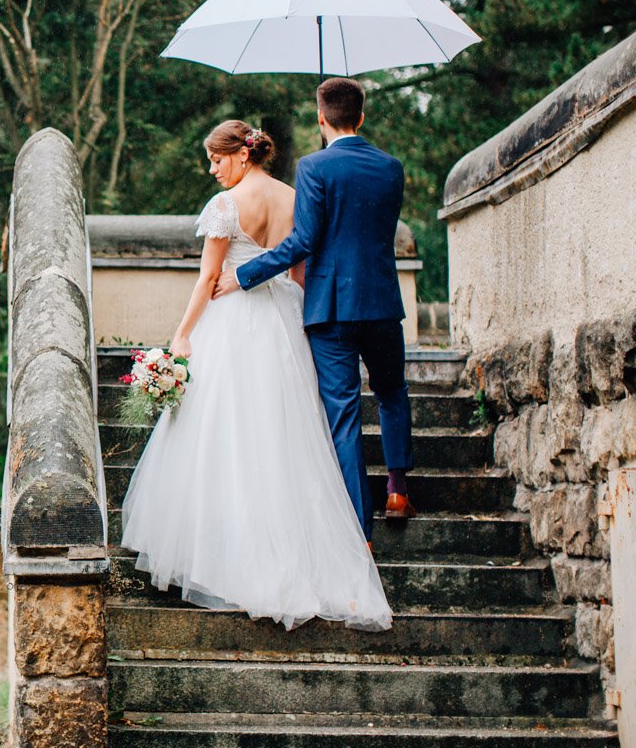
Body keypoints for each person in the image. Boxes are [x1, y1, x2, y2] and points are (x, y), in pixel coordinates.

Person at [119, 118, 392, 632]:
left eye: (218, 159)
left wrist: (181, 335)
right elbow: (298, 270)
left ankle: (235, 563)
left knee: (232, 436)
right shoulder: (293, 196)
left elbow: (207, 279)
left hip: (236, 321)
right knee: (282, 438)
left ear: (243, 156)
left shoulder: (225, 206)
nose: (213, 169)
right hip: (285, 320)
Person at [214, 77, 417, 537]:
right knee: (391, 392)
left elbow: (305, 240)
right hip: (382, 302)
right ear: (361, 117)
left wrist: (245, 275)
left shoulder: (313, 168)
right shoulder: (392, 167)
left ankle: (358, 528)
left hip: (330, 309)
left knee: (343, 415)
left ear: (321, 118)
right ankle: (398, 489)